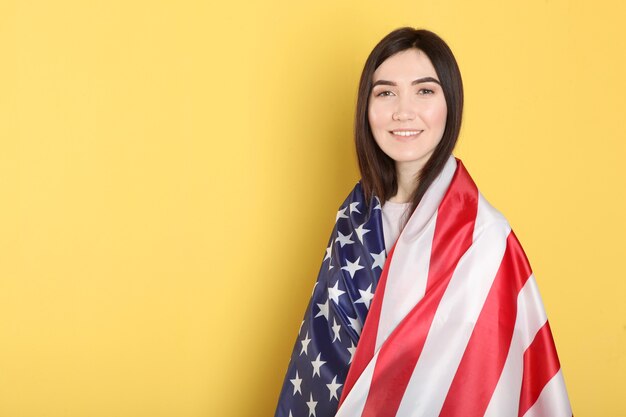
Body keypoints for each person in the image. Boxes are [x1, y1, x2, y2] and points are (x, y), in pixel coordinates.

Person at [274, 27, 572, 417]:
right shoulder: (352, 218)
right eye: (385, 92)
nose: (403, 110)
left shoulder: (485, 239)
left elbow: (489, 376)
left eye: (424, 91)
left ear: (451, 104)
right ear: (366, 106)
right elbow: (322, 351)